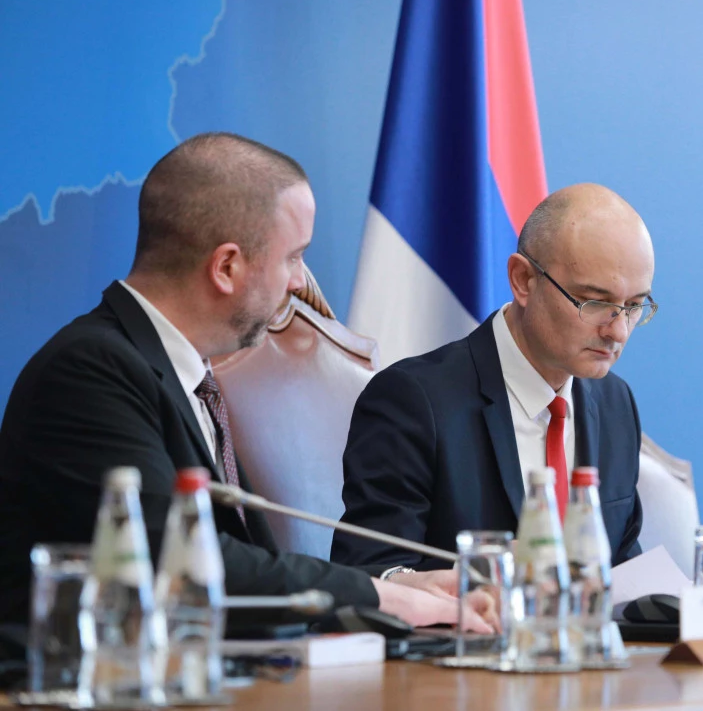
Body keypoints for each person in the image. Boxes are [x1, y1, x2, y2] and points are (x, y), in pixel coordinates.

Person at [0, 132, 490, 631]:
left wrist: (396, 586)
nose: (299, 282)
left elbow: (244, 569)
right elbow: (183, 566)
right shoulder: (89, 373)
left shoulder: (183, 373)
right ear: (227, 266)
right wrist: (385, 598)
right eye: (293, 257)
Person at [332, 183, 656, 574]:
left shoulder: (615, 403)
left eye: (634, 305)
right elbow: (371, 573)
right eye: (596, 302)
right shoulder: (413, 402)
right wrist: (488, 573)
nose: (618, 331)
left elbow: (620, 565)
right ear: (523, 280)